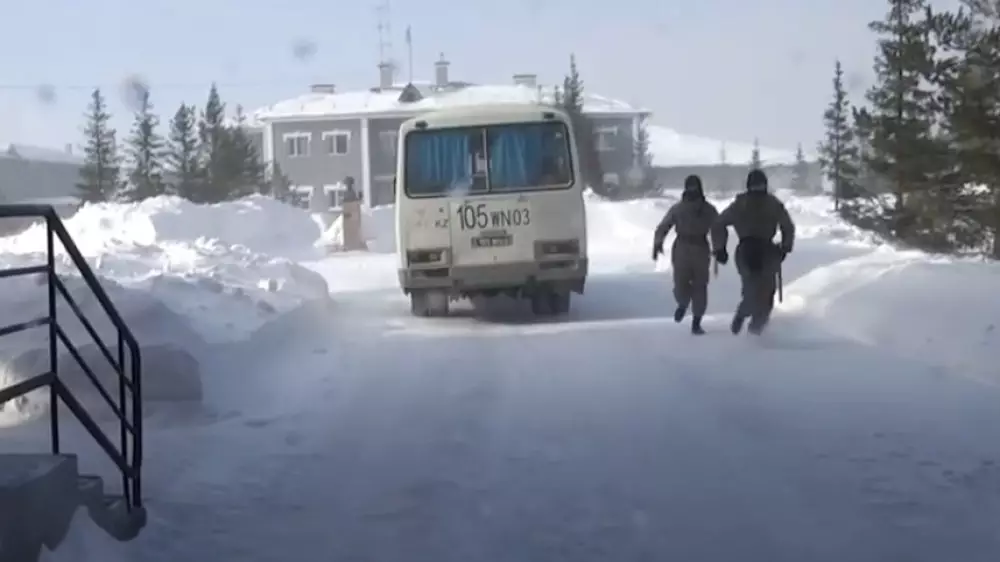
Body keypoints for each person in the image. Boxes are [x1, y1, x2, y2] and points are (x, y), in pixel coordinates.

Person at [710, 169, 795, 335]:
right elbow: (718, 224)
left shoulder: (771, 203)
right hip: (748, 251)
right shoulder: (742, 204)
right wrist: (719, 248)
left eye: (760, 185)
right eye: (756, 185)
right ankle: (743, 315)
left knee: (766, 295)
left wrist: (785, 247)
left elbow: (788, 226)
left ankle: (754, 334)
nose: (758, 189)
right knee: (753, 293)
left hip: (765, 252)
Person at [652, 174, 719, 335]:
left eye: (695, 187)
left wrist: (719, 248)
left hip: (701, 247)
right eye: (690, 187)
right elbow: (664, 226)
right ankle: (683, 303)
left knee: (700, 286)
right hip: (682, 247)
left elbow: (718, 229)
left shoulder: (708, 210)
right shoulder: (678, 208)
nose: (692, 190)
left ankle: (697, 321)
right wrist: (658, 243)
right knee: (680, 283)